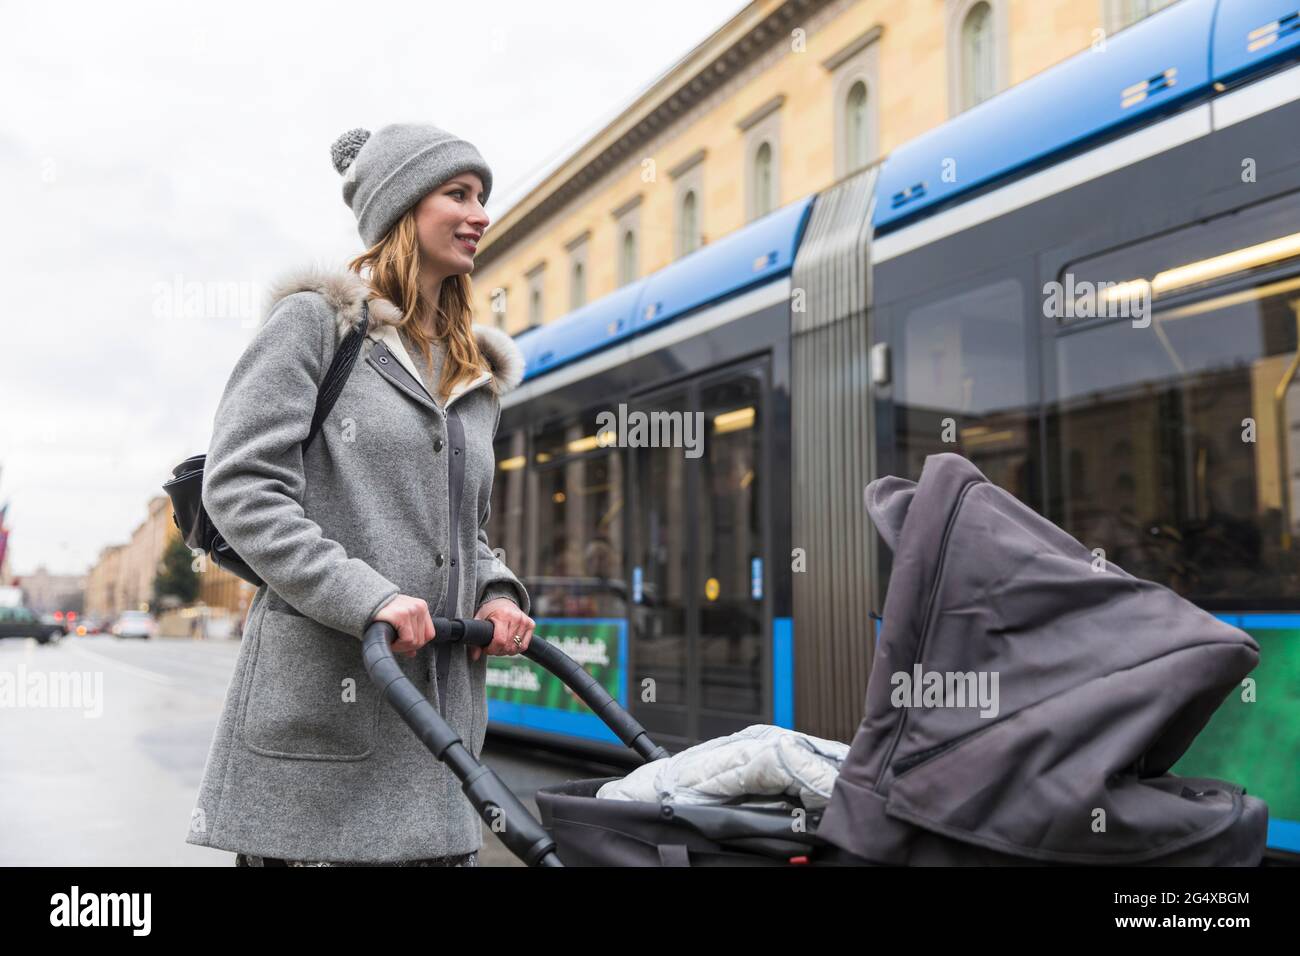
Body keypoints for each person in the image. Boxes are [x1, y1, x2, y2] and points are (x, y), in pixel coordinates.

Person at [185, 122, 536, 866]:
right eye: (459, 194)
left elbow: (464, 533)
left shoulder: (473, 377)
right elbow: (240, 484)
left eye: (484, 197)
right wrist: (366, 596)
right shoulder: (317, 325)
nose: (480, 214)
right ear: (402, 208)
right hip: (324, 740)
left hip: (439, 751)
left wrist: (499, 595)